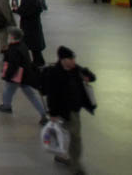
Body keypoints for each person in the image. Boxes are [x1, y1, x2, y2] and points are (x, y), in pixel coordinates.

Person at [41, 46, 96, 174]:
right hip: (62, 111)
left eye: (74, 59)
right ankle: (73, 165)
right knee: (69, 137)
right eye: (71, 59)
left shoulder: (76, 69)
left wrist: (88, 77)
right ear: (63, 59)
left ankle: (72, 162)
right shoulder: (54, 73)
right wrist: (53, 113)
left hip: (74, 110)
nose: (73, 61)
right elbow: (52, 95)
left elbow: (92, 76)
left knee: (74, 137)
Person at [0, 27, 47, 122]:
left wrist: (7, 75)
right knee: (29, 94)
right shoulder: (22, 45)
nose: (9, 37)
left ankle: (6, 106)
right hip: (25, 75)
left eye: (10, 35)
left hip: (17, 76)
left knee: (9, 89)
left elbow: (13, 65)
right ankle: (43, 113)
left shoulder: (14, 49)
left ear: (13, 36)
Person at [16, 0, 46, 66]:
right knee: (35, 45)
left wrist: (17, 10)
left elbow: (24, 11)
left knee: (31, 44)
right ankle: (39, 61)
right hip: (35, 24)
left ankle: (37, 62)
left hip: (28, 25)